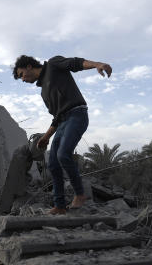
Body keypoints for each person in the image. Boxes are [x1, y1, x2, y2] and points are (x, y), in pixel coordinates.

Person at [14, 54, 112, 215]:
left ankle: (80, 195)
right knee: (52, 163)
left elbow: (76, 63)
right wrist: (46, 137)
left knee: (63, 154)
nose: (22, 79)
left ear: (29, 66)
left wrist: (97, 64)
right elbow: (57, 117)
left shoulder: (53, 64)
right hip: (62, 123)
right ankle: (59, 206)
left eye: (21, 75)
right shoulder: (44, 92)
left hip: (77, 114)